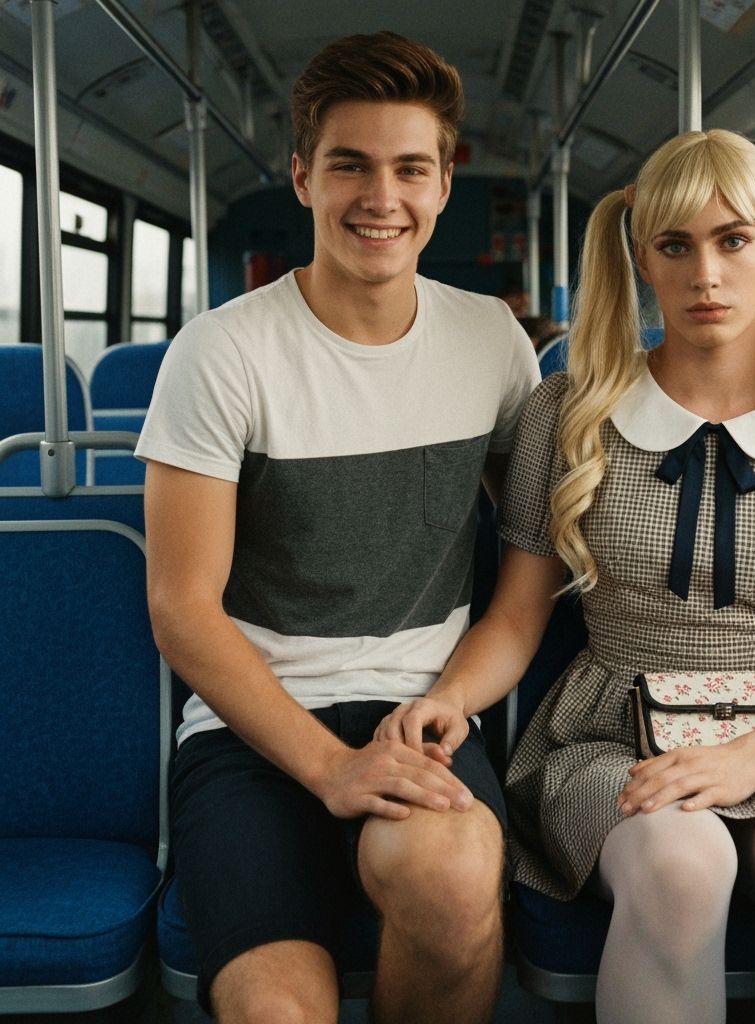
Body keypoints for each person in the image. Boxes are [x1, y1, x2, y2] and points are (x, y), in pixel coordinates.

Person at [375, 129, 755, 1024]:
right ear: (641, 256)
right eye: (676, 246)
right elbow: (516, 620)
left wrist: (745, 760)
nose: (707, 276)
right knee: (682, 866)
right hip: (610, 726)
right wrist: (451, 699)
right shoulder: (571, 416)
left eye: (734, 240)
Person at [137, 30, 539, 1024]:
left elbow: (527, 581)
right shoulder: (222, 352)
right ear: (302, 177)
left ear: (445, 182)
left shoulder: (491, 340)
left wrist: (450, 699)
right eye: (349, 165)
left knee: (451, 886)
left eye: (410, 168)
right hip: (250, 733)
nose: (381, 197)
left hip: (421, 713)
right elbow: (182, 607)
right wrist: (328, 766)